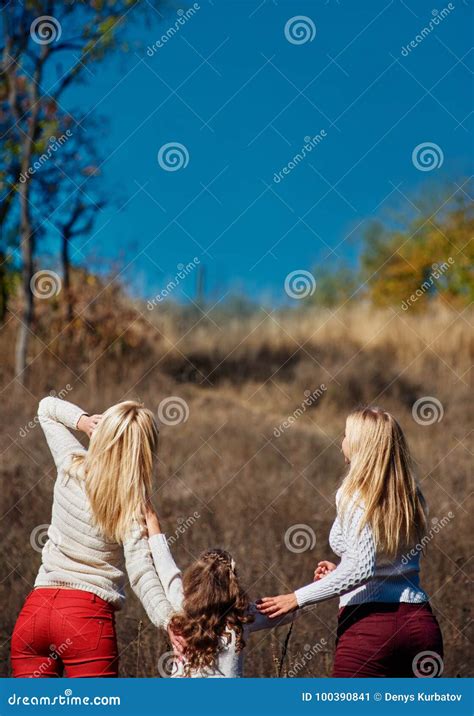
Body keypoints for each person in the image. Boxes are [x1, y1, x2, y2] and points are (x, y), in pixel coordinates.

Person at [257, 407, 443, 677]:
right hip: (420, 627)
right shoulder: (410, 495)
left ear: (359, 445)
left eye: (345, 435)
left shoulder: (352, 493)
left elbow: (361, 569)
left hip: (370, 631)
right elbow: (381, 564)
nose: (341, 441)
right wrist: (339, 575)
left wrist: (296, 598)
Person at [11, 396, 172, 678]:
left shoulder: (70, 463)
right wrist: (170, 620)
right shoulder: (132, 505)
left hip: (35, 613)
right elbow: (141, 573)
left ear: (104, 431)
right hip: (86, 620)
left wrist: (83, 421)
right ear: (144, 452)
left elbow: (46, 408)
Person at [145, 505, 295, 677]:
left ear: (195, 579)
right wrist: (317, 586)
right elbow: (288, 609)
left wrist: (150, 516)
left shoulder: (181, 607)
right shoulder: (241, 618)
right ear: (233, 583)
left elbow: (164, 561)